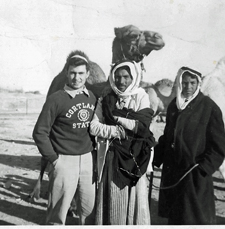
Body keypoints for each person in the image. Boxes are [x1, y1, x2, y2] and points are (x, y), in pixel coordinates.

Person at [153, 66, 225, 225]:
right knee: (176, 218)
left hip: (194, 174)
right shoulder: (174, 106)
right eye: (184, 83)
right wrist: (155, 157)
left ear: (198, 83)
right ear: (179, 83)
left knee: (194, 218)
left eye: (192, 83)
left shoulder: (209, 107)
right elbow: (167, 137)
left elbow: (218, 147)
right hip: (173, 172)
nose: (188, 87)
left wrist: (203, 169)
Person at [32, 50, 96, 225]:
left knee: (88, 212)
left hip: (87, 161)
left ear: (88, 74)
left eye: (81, 73)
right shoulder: (55, 99)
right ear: (66, 73)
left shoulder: (92, 98)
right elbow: (39, 132)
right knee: (57, 215)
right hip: (63, 161)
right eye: (73, 73)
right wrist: (54, 160)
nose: (77, 78)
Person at [89, 60, 155, 225]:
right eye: (117, 76)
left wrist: (117, 119)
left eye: (126, 76)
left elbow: (142, 127)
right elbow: (94, 127)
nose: (121, 81)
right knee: (113, 203)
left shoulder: (141, 96)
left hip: (135, 159)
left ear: (133, 76)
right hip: (111, 159)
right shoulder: (106, 98)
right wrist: (117, 131)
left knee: (135, 203)